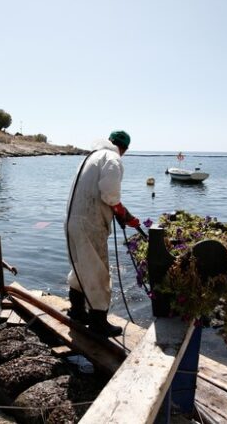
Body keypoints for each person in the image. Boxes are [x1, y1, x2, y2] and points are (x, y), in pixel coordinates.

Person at [65, 130, 140, 337]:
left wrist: (118, 212)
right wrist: (124, 214)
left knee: (80, 266)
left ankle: (77, 311)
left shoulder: (92, 157)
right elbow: (110, 194)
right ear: (124, 148)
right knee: (98, 271)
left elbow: (101, 194)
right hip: (90, 223)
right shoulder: (113, 158)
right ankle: (98, 322)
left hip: (73, 220)